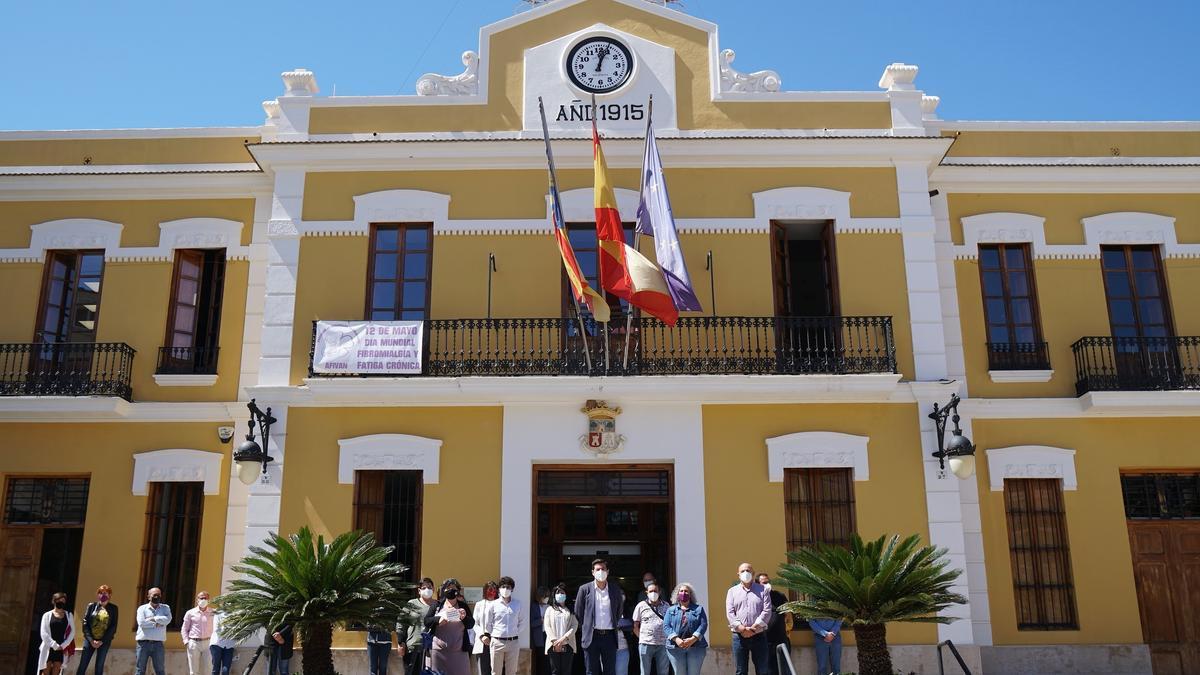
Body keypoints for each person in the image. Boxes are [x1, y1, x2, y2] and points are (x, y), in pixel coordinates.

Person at [575, 558, 624, 675]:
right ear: (592, 572)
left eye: (603, 569)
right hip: (591, 637)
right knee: (591, 671)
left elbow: (618, 611)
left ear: (608, 571)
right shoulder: (584, 589)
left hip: (609, 637)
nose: (600, 571)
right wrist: (586, 626)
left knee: (610, 671)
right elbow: (578, 612)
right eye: (597, 569)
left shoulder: (615, 589)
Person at [725, 563, 772, 675]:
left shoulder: (763, 590)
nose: (745, 573)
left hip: (759, 636)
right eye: (743, 571)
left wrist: (754, 628)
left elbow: (767, 610)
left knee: (762, 670)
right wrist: (742, 629)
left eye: (748, 570)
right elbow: (730, 612)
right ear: (738, 574)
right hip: (739, 637)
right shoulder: (732, 591)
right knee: (741, 671)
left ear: (753, 573)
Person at [424, 579, 475, 675]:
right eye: (448, 588)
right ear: (444, 590)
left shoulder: (463, 606)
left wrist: (464, 618)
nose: (450, 590)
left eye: (453, 588)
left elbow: (471, 624)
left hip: (459, 652)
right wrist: (437, 620)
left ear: (458, 591)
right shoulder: (437, 605)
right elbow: (426, 621)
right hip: (438, 652)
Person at [481, 576, 524, 675]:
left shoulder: (517, 604)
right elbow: (488, 623)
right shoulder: (493, 604)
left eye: (508, 587)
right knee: (496, 672)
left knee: (512, 672)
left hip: (513, 642)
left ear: (512, 589)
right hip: (497, 642)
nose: (506, 589)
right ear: (499, 589)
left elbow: (522, 622)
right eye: (503, 586)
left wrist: (514, 632)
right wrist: (496, 634)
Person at [663, 583, 707, 675]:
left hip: (696, 647)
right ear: (677, 594)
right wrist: (676, 639)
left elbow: (703, 625)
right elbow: (666, 626)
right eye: (681, 591)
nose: (684, 593)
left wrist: (693, 639)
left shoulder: (699, 609)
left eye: (686, 591)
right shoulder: (670, 610)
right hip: (675, 648)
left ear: (690, 594)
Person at [76, 585, 117, 675]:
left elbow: (113, 627)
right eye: (100, 593)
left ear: (109, 595)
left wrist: (101, 641)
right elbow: (85, 623)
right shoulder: (91, 606)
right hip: (90, 640)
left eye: (105, 593)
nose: (103, 595)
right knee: (83, 664)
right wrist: (91, 640)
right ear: (98, 594)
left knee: (99, 666)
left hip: (104, 641)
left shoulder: (114, 608)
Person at [756, 574, 791, 675]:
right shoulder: (756, 598)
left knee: (784, 670)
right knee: (767, 671)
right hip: (764, 641)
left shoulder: (779, 596)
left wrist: (787, 630)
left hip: (781, 640)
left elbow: (788, 616)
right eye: (764, 583)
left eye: (768, 582)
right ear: (758, 584)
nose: (768, 584)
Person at [402, 577, 438, 675]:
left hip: (432, 649)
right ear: (419, 590)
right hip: (414, 646)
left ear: (433, 589)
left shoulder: (438, 605)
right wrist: (401, 642)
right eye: (424, 587)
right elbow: (401, 623)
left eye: (430, 587)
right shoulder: (411, 603)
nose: (427, 590)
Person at [632, 582, 669, 675]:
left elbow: (670, 624)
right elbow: (635, 626)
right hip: (646, 644)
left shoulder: (667, 606)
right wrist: (641, 638)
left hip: (663, 644)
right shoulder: (640, 606)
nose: (653, 593)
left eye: (655, 591)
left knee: (663, 672)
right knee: (645, 672)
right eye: (651, 591)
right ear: (647, 593)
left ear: (659, 592)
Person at [542, 584, 578, 675]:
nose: (560, 594)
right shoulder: (549, 609)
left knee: (566, 671)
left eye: (562, 592)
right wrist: (555, 641)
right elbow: (547, 626)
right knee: (555, 672)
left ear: (566, 595)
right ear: (554, 595)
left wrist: (563, 639)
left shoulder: (571, 609)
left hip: (568, 644)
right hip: (553, 645)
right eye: (558, 593)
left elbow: (574, 626)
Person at [135, 587, 172, 675]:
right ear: (148, 596)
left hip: (158, 644)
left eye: (158, 595)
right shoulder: (142, 608)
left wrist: (153, 618)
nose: (157, 597)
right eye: (154, 595)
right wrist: (157, 624)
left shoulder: (165, 608)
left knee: (160, 670)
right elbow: (142, 623)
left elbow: (168, 620)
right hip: (143, 644)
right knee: (140, 670)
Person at [37, 592, 76, 675]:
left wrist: (63, 645)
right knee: (45, 671)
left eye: (63, 601)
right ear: (54, 601)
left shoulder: (69, 615)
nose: (61, 602)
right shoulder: (46, 615)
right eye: (59, 600)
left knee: (56, 671)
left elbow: (72, 632)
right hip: (48, 646)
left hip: (61, 649)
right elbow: (43, 633)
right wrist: (54, 645)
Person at [182, 591, 214, 675]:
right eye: (201, 598)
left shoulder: (213, 612)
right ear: (197, 600)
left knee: (209, 669)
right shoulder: (190, 613)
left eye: (205, 598)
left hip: (209, 643)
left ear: (208, 600)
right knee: (193, 671)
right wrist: (186, 641)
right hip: (194, 643)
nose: (203, 600)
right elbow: (184, 628)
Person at [472, 581, 498, 675]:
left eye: (493, 590)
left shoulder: (500, 604)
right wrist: (482, 636)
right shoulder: (479, 604)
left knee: (496, 670)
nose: (491, 593)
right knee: (483, 670)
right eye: (489, 590)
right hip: (482, 641)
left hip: (496, 640)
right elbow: (474, 623)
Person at [208, 610, 239, 675]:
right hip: (217, 644)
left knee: (226, 670)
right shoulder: (218, 613)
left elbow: (238, 628)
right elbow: (217, 629)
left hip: (229, 645)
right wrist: (230, 631)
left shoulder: (236, 614)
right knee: (216, 668)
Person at [531, 587, 550, 675]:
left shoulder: (550, 607)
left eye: (547, 596)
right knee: (541, 659)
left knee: (549, 659)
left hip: (549, 635)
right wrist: (541, 621)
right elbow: (531, 623)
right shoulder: (534, 607)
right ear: (539, 597)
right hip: (539, 637)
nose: (546, 598)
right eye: (544, 596)